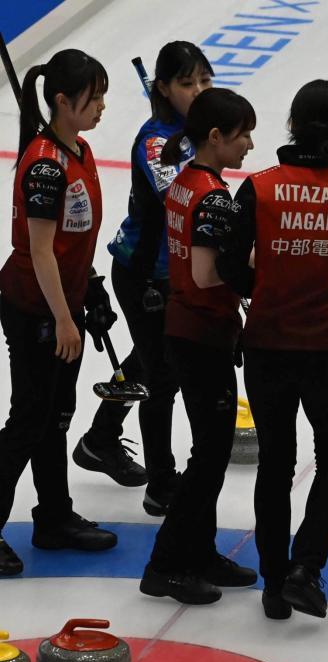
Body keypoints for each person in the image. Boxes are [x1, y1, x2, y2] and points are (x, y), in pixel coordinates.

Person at [217, 79, 328, 621]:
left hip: (267, 346)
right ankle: (307, 567)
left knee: (276, 465)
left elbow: (230, 265)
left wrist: (263, 284)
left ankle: (274, 582)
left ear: (290, 124)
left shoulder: (258, 189)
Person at [72, 41, 214, 512]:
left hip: (174, 271)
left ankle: (100, 438)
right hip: (143, 274)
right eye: (187, 83)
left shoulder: (195, 132)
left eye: (205, 81)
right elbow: (182, 200)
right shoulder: (157, 142)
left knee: (151, 358)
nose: (198, 91)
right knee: (162, 377)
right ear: (164, 88)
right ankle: (162, 484)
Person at [138, 88, 257, 604]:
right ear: (215, 137)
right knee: (209, 455)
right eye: (243, 134)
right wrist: (259, 262)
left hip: (188, 328)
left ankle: (200, 552)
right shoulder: (212, 196)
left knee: (209, 449)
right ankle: (165, 564)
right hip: (201, 332)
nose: (249, 144)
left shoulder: (188, 182)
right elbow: (208, 274)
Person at [0, 49, 116, 576]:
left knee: (55, 418)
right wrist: (64, 319)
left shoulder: (78, 150)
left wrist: (89, 287)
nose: (102, 107)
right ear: (63, 101)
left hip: (62, 301)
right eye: (94, 98)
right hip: (34, 308)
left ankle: (53, 517)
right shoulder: (46, 166)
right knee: (28, 420)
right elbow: (41, 250)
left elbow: (74, 238)